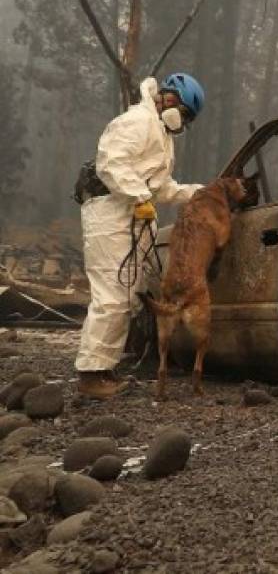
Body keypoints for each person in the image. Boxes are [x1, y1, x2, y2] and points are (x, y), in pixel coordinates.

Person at [76, 73, 205, 399]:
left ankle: (105, 367)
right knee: (112, 294)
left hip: (128, 215)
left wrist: (198, 194)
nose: (182, 122)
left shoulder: (161, 135)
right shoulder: (137, 121)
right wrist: (138, 197)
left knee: (127, 293)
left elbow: (161, 187)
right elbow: (111, 164)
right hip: (109, 213)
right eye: (184, 114)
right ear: (170, 99)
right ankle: (92, 375)